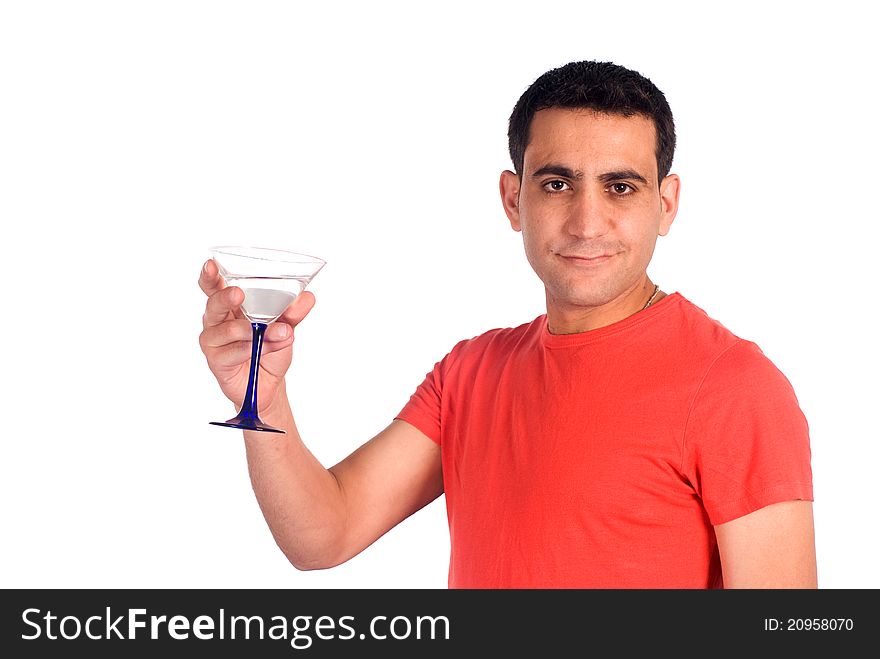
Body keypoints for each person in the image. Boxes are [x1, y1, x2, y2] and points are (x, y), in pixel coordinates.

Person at [198, 60, 817, 588]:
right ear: (512, 199)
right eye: (557, 184)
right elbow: (323, 536)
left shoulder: (735, 386)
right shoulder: (470, 372)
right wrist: (266, 397)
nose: (586, 221)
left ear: (667, 203)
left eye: (620, 187)